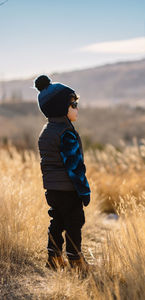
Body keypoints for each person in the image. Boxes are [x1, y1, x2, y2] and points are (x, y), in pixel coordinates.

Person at [34, 75, 91, 273]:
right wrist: (84, 191)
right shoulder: (66, 133)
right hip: (68, 188)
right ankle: (76, 261)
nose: (77, 108)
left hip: (51, 188)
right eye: (73, 104)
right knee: (75, 222)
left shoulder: (46, 131)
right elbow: (74, 167)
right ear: (61, 108)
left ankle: (54, 257)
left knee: (57, 221)